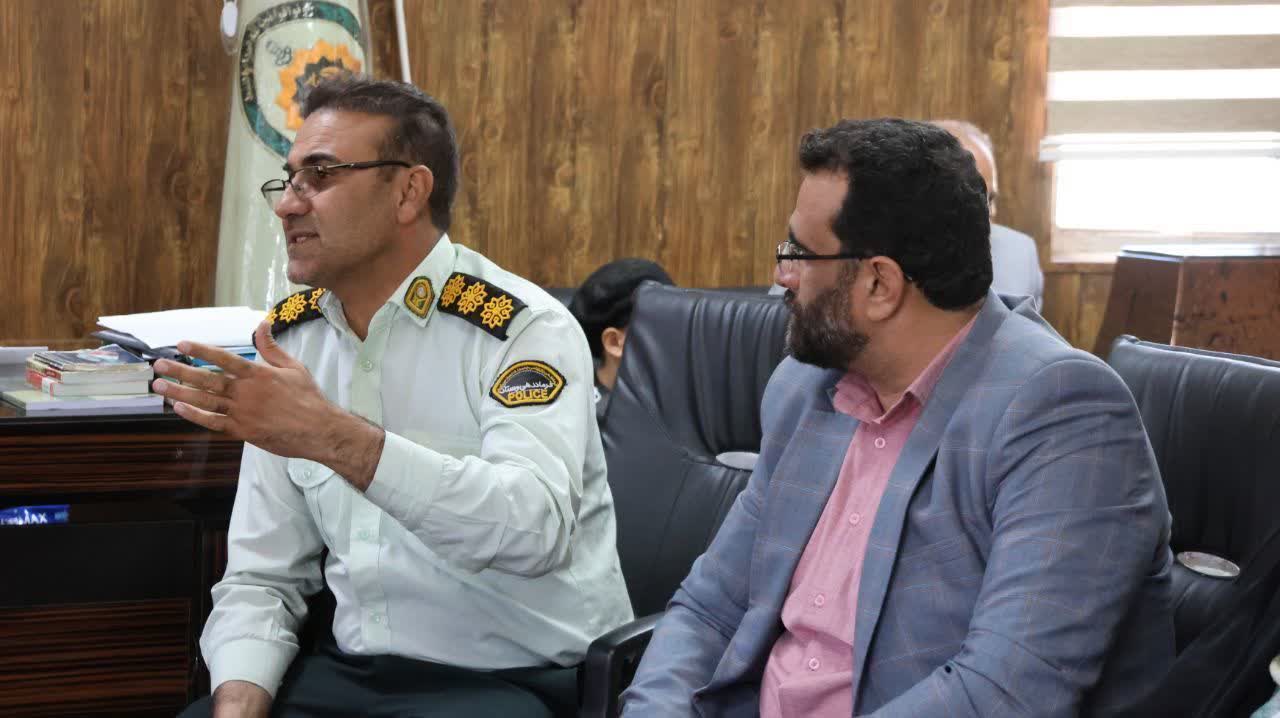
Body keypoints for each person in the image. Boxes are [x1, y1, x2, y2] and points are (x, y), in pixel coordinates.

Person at [621, 118, 1174, 717]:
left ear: (880, 284)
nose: (783, 276)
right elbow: (710, 609)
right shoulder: (805, 389)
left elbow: (1000, 695)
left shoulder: (1063, 415)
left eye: (799, 253)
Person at [157, 76, 632, 718]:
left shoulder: (522, 330)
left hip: (513, 680)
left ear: (409, 192)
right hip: (350, 674)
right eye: (289, 180)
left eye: (320, 176)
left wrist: (333, 437)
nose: (287, 205)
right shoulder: (294, 339)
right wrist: (238, 703)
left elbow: (532, 530)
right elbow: (262, 576)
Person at [932, 119, 1044, 310]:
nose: (988, 214)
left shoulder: (1021, 254)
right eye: (970, 199)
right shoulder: (884, 265)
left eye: (990, 199)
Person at [567, 258, 674, 418]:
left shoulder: (692, 399)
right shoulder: (583, 421)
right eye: (662, 324)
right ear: (615, 342)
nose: (679, 335)